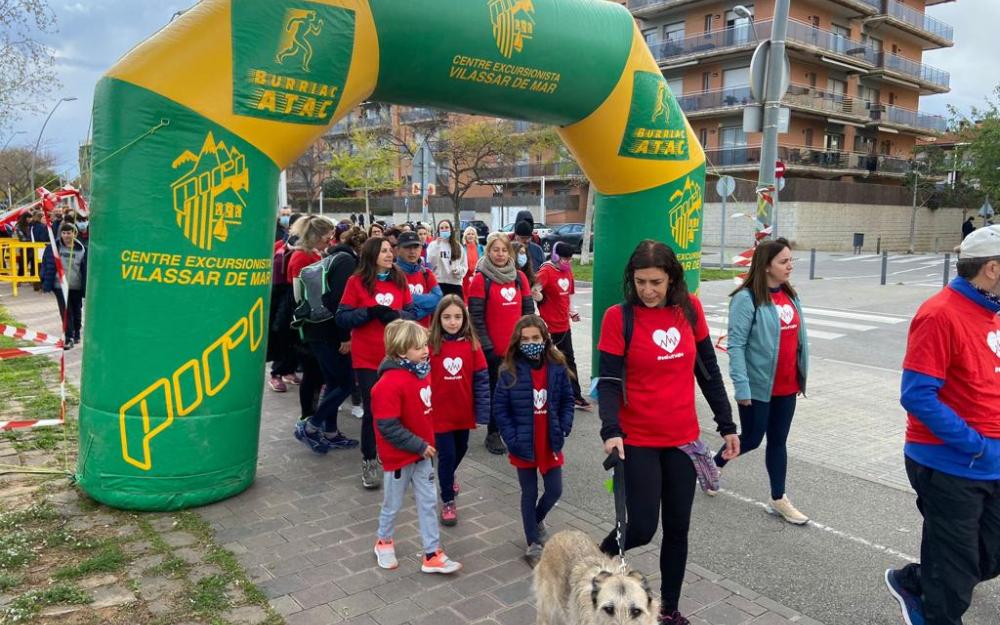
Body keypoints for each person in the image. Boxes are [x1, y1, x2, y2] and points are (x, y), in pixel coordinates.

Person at [596, 240, 738, 625]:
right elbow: (608, 381)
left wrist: (726, 424)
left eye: (656, 282)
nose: (648, 290)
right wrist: (611, 429)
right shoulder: (618, 317)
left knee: (678, 529)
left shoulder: (689, 310)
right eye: (640, 282)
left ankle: (669, 610)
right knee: (641, 526)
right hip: (636, 438)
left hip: (682, 440)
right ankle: (598, 561)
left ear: (671, 277)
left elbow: (707, 370)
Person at [885, 225, 1000, 625]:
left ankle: (917, 581)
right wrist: (976, 444)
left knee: (987, 557)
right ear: (992, 268)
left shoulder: (993, 312)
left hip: (990, 463)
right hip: (949, 464)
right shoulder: (940, 314)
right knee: (953, 580)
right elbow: (916, 395)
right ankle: (932, 600)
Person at [710, 238, 810, 523]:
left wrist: (801, 375)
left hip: (787, 386)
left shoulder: (789, 294)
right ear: (766, 266)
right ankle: (713, 464)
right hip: (757, 387)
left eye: (791, 260)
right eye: (783, 261)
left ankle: (778, 498)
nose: (790, 266)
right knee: (752, 439)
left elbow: (797, 340)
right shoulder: (746, 298)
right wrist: (741, 387)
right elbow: (736, 345)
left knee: (778, 441)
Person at [372, 319, 463, 575]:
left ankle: (432, 553)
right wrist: (419, 445)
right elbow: (387, 427)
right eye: (418, 347)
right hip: (400, 458)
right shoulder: (388, 384)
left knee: (427, 502)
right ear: (401, 352)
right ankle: (384, 541)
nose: (425, 350)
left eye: (424, 345)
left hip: (424, 455)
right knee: (392, 504)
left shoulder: (422, 373)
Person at [493, 314, 575, 567]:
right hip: (523, 443)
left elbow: (566, 400)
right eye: (525, 339)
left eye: (535, 338)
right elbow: (501, 409)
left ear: (545, 339)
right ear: (518, 341)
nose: (530, 343)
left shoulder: (557, 366)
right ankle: (533, 542)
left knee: (554, 490)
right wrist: (511, 437)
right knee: (528, 493)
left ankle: (535, 520)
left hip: (549, 440)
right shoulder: (509, 371)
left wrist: (564, 426)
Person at [336, 237, 416, 489]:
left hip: (396, 356)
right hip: (368, 358)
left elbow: (411, 314)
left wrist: (396, 316)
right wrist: (369, 313)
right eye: (383, 251)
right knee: (373, 410)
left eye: (390, 250)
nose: (390, 254)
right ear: (371, 255)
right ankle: (369, 460)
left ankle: (391, 451)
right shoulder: (356, 282)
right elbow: (342, 318)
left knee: (398, 408)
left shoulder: (399, 279)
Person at [291, 223, 365, 454]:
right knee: (345, 384)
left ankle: (331, 432)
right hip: (329, 332)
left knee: (334, 382)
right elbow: (338, 302)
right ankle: (312, 426)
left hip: (318, 329)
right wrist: (345, 337)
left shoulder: (333, 257)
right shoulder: (346, 261)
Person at [467, 233, 535, 455]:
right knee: (498, 393)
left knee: (518, 391)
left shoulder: (519, 279)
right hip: (493, 351)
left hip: (516, 349)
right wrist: (488, 348)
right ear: (488, 252)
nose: (500, 254)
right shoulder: (481, 280)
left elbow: (528, 313)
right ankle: (493, 433)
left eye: (504, 250)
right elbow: (476, 319)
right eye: (496, 250)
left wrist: (527, 342)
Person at [428, 295, 490, 526]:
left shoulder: (472, 345)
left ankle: (448, 476)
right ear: (438, 319)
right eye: (446, 317)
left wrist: (483, 411)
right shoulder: (430, 345)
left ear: (464, 319)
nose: (452, 322)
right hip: (439, 414)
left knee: (461, 449)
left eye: (457, 317)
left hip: (463, 413)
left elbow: (482, 379)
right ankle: (447, 500)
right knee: (446, 456)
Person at [284, 216, 335, 423]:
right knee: (312, 372)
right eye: (326, 237)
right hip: (308, 321)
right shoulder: (300, 258)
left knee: (317, 372)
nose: (329, 241)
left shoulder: (316, 253)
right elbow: (298, 296)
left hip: (318, 318)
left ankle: (314, 413)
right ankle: (308, 414)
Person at [535, 242, 590, 410]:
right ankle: (544, 396)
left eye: (570, 259)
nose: (568, 262)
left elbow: (568, 296)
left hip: (563, 326)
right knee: (546, 362)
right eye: (565, 259)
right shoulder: (546, 271)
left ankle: (575, 396)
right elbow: (533, 291)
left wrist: (572, 312)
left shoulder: (567, 272)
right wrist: (540, 306)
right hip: (548, 327)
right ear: (555, 256)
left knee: (569, 361)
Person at [40, 224, 86, 349]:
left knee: (77, 312)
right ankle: (68, 337)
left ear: (75, 234)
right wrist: (44, 281)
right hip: (59, 285)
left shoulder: (82, 249)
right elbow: (45, 264)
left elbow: (85, 269)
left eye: (69, 233)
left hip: (76, 286)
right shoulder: (53, 248)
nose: (66, 235)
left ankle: (77, 333)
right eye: (64, 233)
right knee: (66, 312)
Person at [396, 231, 442, 328]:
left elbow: (439, 299)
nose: (412, 251)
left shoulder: (427, 273)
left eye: (416, 247)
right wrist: (428, 304)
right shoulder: (391, 274)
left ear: (421, 248)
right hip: (399, 336)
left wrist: (413, 314)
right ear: (398, 249)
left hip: (423, 335)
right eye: (407, 247)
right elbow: (395, 302)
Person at [426, 219, 467, 299]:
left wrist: (459, 271)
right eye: (441, 228)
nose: (444, 229)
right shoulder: (433, 245)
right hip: (438, 283)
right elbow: (430, 262)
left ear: (451, 230)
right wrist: (437, 246)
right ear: (438, 231)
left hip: (455, 284)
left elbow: (464, 265)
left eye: (446, 227)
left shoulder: (458, 246)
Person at [461, 226, 483, 293]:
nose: (470, 236)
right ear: (465, 236)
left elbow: (482, 261)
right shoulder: (462, 248)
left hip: (477, 275)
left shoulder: (480, 247)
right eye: (468, 234)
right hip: (465, 276)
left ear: (475, 236)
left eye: (472, 234)